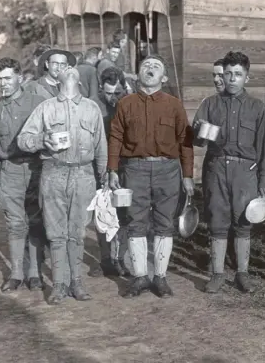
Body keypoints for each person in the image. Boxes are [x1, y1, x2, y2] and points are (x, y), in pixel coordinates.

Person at [18, 68, 108, 305]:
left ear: (80, 79)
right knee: (57, 233)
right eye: (62, 68)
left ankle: (76, 282)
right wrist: (41, 140)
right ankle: (59, 283)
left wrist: (104, 176)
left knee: (77, 232)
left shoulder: (92, 108)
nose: (67, 70)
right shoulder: (46, 108)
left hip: (83, 174)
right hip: (53, 173)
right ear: (56, 79)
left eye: (71, 65)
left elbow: (101, 146)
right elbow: (23, 140)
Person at [108, 54, 195, 299]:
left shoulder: (174, 105)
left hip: (168, 171)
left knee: (164, 224)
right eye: (146, 65)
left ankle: (160, 278)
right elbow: (115, 137)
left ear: (164, 77)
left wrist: (187, 175)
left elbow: (185, 142)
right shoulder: (125, 104)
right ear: (138, 75)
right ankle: (139, 278)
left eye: (156, 66)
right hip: (134, 170)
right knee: (135, 223)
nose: (150, 69)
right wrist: (112, 169)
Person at [194, 52, 265, 293]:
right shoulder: (209, 104)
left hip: (245, 171)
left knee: (243, 222)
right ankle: (217, 274)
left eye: (238, 74)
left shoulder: (257, 107)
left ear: (247, 77)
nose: (232, 79)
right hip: (216, 168)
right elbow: (197, 142)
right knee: (217, 220)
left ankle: (242, 274)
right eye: (228, 74)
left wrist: (264, 182)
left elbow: (263, 147)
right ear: (222, 75)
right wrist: (198, 131)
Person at [0, 58, 47, 292]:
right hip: (9, 170)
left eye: (8, 78)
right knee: (14, 223)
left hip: (35, 169)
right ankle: (16, 274)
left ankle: (34, 273)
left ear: (19, 78)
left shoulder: (38, 103)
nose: (3, 83)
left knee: (35, 220)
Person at [89, 67, 130, 278]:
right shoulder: (93, 107)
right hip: (100, 167)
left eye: (117, 92)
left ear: (124, 88)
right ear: (100, 90)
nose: (113, 97)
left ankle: (120, 258)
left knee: (124, 213)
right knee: (102, 212)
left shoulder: (131, 104)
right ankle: (105, 259)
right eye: (108, 93)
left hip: (127, 167)